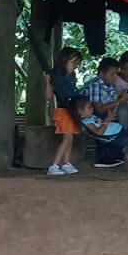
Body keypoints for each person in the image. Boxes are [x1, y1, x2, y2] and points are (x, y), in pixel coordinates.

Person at [45, 47, 83, 176]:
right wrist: (48, 83)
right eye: (74, 63)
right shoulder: (55, 76)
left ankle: (66, 163)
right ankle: (55, 165)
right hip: (63, 111)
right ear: (64, 61)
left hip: (72, 111)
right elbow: (48, 97)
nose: (76, 66)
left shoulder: (71, 77)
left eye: (77, 63)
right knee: (67, 138)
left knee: (70, 138)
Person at [73, 95, 128, 167]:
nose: (92, 108)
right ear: (80, 111)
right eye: (89, 107)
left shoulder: (90, 117)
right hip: (119, 137)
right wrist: (107, 119)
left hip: (119, 134)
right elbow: (98, 133)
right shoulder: (87, 123)